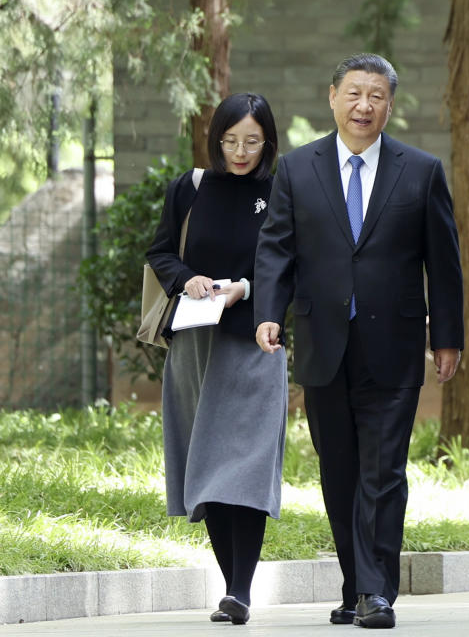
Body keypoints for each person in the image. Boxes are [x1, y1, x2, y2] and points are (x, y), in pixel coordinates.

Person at [254, 53, 463, 630]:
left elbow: (443, 264)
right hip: (323, 344)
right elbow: (276, 248)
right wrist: (268, 312)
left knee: (384, 472)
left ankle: (377, 591)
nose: (364, 105)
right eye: (354, 94)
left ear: (390, 105)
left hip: (394, 348)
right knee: (339, 473)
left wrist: (447, 337)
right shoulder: (297, 169)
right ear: (332, 98)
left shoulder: (420, 171)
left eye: (376, 96)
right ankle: (355, 585)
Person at [145, 92, 286, 625]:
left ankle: (242, 590)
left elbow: (287, 264)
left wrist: (245, 288)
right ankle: (231, 587)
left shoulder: (279, 193)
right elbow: (161, 252)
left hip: (255, 342)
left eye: (251, 141)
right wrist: (189, 278)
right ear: (216, 139)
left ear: (267, 142)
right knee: (205, 466)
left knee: (246, 467)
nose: (240, 151)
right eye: (230, 141)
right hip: (195, 344)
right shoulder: (190, 188)